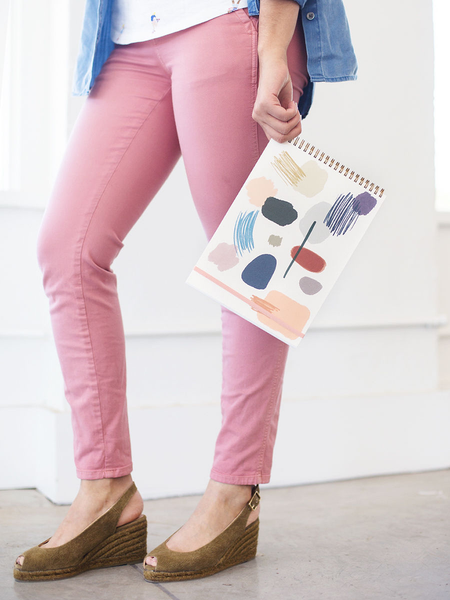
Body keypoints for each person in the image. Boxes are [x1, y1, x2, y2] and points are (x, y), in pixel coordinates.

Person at [13, 0, 357, 583]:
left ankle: (233, 492)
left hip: (233, 22)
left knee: (249, 263)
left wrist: (274, 45)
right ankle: (106, 491)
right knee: (67, 249)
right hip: (128, 36)